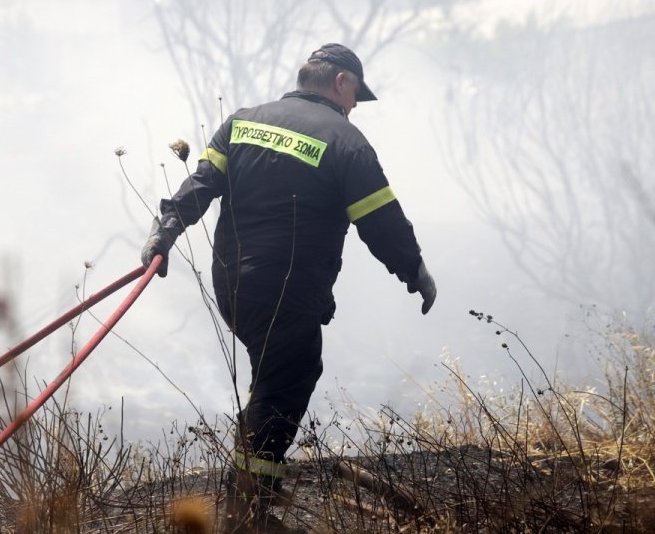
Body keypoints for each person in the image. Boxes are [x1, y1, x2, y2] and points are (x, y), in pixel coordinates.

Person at [141, 42, 436, 533]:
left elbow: (201, 184)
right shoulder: (347, 141)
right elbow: (381, 221)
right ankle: (249, 512)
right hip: (289, 288)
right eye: (356, 95)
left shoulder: (242, 121)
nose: (355, 106)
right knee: (290, 380)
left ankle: (250, 483)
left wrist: (164, 229)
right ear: (341, 82)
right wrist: (415, 270)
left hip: (232, 285)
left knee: (276, 376)